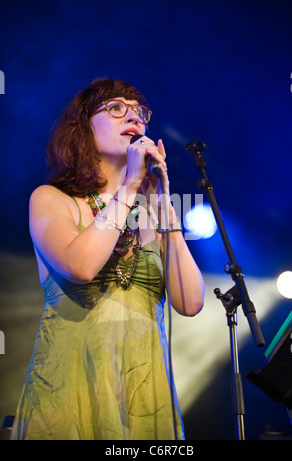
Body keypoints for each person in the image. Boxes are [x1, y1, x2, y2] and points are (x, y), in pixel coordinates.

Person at [10, 77, 205, 440]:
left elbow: (191, 303)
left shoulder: (152, 212)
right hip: (71, 389)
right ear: (83, 127)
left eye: (139, 113)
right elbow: (81, 267)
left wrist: (164, 206)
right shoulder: (52, 199)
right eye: (116, 108)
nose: (133, 117)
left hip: (144, 393)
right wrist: (129, 185)